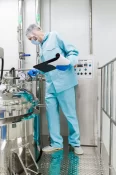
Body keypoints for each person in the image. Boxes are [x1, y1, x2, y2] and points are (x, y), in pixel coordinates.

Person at [26, 24, 83, 155]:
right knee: (52, 114)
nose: (33, 40)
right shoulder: (42, 47)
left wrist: (70, 62)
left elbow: (73, 51)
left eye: (32, 38)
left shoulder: (54, 36)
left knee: (70, 114)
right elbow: (49, 65)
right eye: (31, 39)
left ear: (37, 31)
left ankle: (75, 143)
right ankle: (56, 143)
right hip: (50, 85)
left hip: (64, 83)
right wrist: (36, 70)